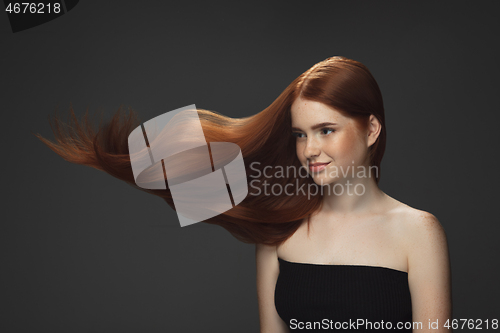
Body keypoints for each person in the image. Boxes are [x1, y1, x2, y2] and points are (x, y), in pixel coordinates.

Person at [35, 56, 452, 332]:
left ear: (371, 130)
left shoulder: (418, 232)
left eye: (327, 130)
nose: (309, 150)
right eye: (300, 135)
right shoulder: (280, 229)